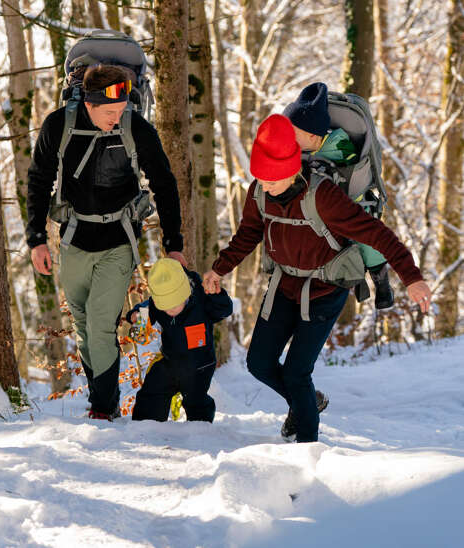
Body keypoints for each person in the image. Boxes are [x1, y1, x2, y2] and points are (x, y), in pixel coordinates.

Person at [203, 114, 431, 443]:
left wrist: (412, 277)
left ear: (291, 168)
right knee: (259, 363)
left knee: (297, 373)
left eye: (271, 180)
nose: (264, 186)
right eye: (261, 179)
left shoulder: (323, 197)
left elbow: (376, 234)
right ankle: (307, 402)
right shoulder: (259, 193)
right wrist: (220, 268)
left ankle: (306, 447)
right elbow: (248, 234)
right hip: (284, 285)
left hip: (325, 289)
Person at [27, 64, 186, 421]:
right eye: (110, 112)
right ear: (88, 104)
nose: (118, 117)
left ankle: (102, 410)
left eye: (123, 109)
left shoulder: (135, 128)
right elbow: (39, 179)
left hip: (119, 240)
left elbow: (164, 182)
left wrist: (173, 243)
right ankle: (107, 401)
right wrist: (36, 239)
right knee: (83, 327)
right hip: (73, 239)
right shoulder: (59, 125)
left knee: (101, 325)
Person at [284, 82, 394, 309]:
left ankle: (380, 278)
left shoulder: (339, 144)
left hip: (346, 195)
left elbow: (346, 169)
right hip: (310, 200)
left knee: (365, 230)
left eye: (296, 134)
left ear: (315, 136)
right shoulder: (300, 147)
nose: (290, 138)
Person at [125, 258, 233, 423]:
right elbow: (144, 316)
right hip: (170, 360)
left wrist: (218, 296)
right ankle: (146, 426)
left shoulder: (202, 299)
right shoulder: (157, 303)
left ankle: (201, 428)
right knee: (152, 392)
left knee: (196, 399)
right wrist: (136, 315)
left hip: (199, 365)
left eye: (174, 306)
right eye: (165, 307)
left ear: (185, 294)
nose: (170, 311)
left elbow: (224, 310)